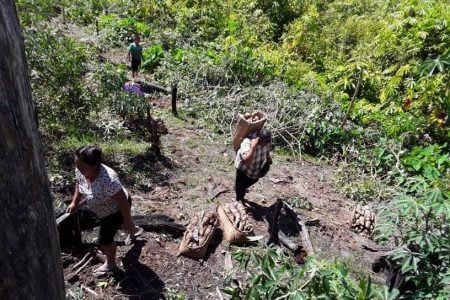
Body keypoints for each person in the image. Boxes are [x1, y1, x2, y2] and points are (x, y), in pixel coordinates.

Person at [66, 145, 141, 275]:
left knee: (105, 240)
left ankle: (110, 264)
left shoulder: (108, 180)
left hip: (115, 210)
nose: (78, 169)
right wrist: (74, 202)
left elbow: (123, 201)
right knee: (121, 227)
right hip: (102, 208)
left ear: (95, 165)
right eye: (76, 164)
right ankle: (133, 230)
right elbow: (79, 183)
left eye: (82, 167)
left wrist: (127, 219)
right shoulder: (81, 169)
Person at [234, 129, 273, 202]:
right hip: (244, 168)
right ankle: (239, 199)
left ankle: (240, 188)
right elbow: (247, 161)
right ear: (259, 140)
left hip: (255, 168)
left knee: (253, 180)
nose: (268, 143)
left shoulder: (267, 141)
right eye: (266, 142)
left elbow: (268, 149)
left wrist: (268, 158)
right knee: (240, 185)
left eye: (269, 141)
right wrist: (253, 147)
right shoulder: (247, 142)